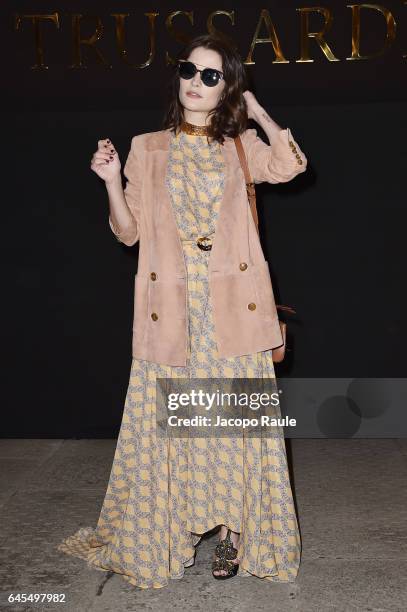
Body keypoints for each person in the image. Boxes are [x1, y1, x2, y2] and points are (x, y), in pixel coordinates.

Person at [57, 33, 308, 588]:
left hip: (233, 309)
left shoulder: (241, 146)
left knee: (230, 429)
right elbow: (128, 233)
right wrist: (109, 182)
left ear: (228, 89)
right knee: (179, 431)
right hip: (171, 309)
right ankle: (172, 529)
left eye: (211, 76)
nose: (195, 82)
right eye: (188, 71)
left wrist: (258, 110)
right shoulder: (147, 148)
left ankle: (234, 536)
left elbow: (289, 166)